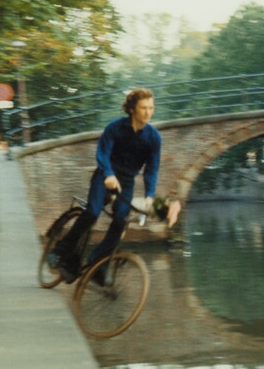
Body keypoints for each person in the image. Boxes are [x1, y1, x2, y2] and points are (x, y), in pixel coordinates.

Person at [49, 87, 179, 281]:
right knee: (92, 212)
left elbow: (151, 170)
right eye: (143, 108)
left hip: (126, 182)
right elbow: (102, 153)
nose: (148, 112)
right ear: (132, 109)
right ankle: (60, 250)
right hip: (105, 175)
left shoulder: (153, 138)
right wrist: (109, 174)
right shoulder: (115, 128)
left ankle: (97, 264)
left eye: (151, 108)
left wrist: (150, 196)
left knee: (120, 221)